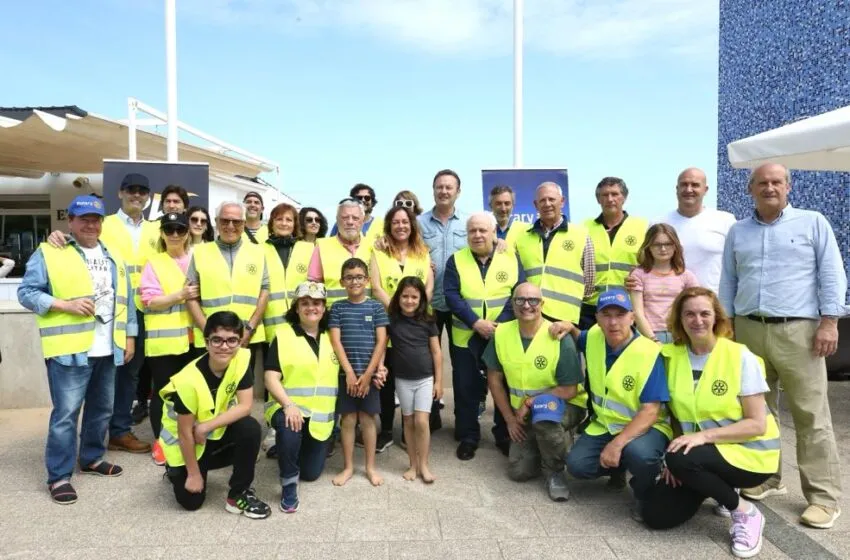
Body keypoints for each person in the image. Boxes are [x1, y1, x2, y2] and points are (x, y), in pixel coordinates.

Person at [719, 162, 846, 529]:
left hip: (800, 332)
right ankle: (767, 477)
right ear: (750, 189)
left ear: (788, 187)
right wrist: (726, 326)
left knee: (811, 415)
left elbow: (832, 272)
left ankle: (823, 498)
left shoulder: (812, 222)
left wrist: (830, 321)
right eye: (762, 182)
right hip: (748, 329)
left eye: (776, 182)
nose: (769, 187)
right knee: (759, 410)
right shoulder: (738, 232)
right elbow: (728, 280)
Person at [642, 288, 780, 559]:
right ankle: (715, 485)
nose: (697, 320)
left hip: (751, 455)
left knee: (680, 459)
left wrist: (696, 444)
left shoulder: (741, 356)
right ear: (679, 320)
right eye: (689, 314)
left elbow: (756, 425)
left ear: (716, 317)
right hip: (701, 456)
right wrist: (674, 460)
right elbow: (677, 415)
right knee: (655, 515)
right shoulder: (670, 357)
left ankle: (744, 512)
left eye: (705, 313)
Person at [18, 195, 137, 504]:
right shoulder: (51, 251)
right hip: (70, 350)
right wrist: (64, 305)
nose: (90, 224)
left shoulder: (114, 257)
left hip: (108, 349)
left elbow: (127, 301)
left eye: (95, 219)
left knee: (102, 411)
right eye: (83, 218)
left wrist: (130, 338)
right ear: (70, 221)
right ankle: (58, 476)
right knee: (66, 415)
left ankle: (93, 458)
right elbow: (26, 292)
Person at [47, 174, 157, 454]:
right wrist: (57, 236)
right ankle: (95, 437)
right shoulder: (102, 223)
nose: (137, 195)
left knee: (130, 375)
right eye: (131, 190)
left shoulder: (156, 230)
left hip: (145, 312)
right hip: (106, 316)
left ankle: (119, 432)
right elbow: (76, 243)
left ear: (148, 196)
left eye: (142, 191)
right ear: (120, 193)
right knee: (105, 380)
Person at [562, 289, 671, 521]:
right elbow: (578, 335)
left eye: (620, 315)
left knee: (640, 456)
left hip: (647, 428)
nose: (613, 322)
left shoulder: (649, 353)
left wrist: (617, 445)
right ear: (598, 319)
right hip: (606, 424)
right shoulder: (593, 336)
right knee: (577, 466)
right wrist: (566, 327)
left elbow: (650, 410)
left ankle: (645, 490)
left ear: (632, 317)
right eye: (606, 315)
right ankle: (618, 468)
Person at [158, 311, 271, 518]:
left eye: (232, 340)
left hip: (208, 434)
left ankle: (238, 494)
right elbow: (184, 433)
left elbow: (245, 406)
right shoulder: (187, 380)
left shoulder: (241, 360)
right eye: (217, 340)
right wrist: (193, 474)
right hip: (185, 442)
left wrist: (207, 426)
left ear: (240, 342)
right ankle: (176, 469)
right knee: (191, 502)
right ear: (206, 342)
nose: (225, 346)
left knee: (250, 428)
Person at [483, 282, 584, 501]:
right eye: (520, 300)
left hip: (565, 405)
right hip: (523, 413)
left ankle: (555, 471)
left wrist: (530, 402)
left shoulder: (558, 337)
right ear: (512, 303)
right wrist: (509, 419)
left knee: (545, 421)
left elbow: (569, 389)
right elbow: (494, 378)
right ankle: (549, 443)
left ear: (542, 304)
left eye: (533, 300)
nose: (526, 305)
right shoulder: (502, 333)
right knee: (519, 472)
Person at [444, 212, 524, 460]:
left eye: (482, 230)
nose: (477, 235)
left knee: (502, 385)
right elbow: (452, 295)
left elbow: (518, 293)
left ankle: (502, 435)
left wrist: (499, 325)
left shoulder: (510, 258)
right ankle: (468, 436)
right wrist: (476, 322)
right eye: (472, 231)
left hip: (502, 337)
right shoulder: (455, 260)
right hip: (465, 337)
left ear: (493, 233)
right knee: (466, 388)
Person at [264, 281, 338, 513]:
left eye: (316, 303)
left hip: (320, 418)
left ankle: (288, 449)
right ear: (296, 308)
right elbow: (270, 377)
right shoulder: (283, 335)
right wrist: (288, 405)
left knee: (311, 474)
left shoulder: (333, 336)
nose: (311, 308)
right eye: (304, 303)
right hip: (288, 409)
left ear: (324, 308)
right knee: (290, 428)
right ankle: (288, 485)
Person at [370, 206, 433, 448]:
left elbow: (427, 285)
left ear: (412, 224)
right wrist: (398, 311)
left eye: (405, 222)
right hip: (388, 323)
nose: (401, 226)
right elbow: (376, 286)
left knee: (413, 375)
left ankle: (411, 432)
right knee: (386, 380)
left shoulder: (422, 252)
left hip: (416, 326)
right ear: (389, 225)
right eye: (395, 222)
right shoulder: (379, 251)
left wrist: (413, 313)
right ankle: (386, 429)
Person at [139, 212, 198, 466]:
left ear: (187, 233)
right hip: (165, 344)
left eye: (180, 230)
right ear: (162, 233)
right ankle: (162, 443)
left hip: (196, 341)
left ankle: (189, 439)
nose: (175, 234)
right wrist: (180, 295)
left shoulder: (199, 258)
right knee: (163, 395)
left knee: (193, 394)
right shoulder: (155, 263)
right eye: (169, 230)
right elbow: (149, 301)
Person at [329, 257, 389, 486]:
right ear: (342, 281)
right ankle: (348, 467)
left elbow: (381, 341)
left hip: (369, 376)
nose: (354, 281)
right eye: (349, 277)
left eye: (359, 277)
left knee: (367, 420)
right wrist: (351, 374)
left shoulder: (375, 307)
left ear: (367, 280)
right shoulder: (337, 308)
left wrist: (368, 374)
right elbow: (336, 342)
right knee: (348, 419)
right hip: (346, 376)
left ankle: (371, 467)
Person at [418, 169, 469, 431]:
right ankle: (431, 415)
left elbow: (484, 246)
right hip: (429, 305)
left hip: (461, 305)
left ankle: (463, 422)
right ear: (433, 189)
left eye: (449, 187)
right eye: (439, 187)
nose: (444, 191)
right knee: (428, 364)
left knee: (462, 368)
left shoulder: (467, 223)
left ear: (458, 191)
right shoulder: (420, 223)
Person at [185, 202, 269, 352]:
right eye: (225, 220)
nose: (230, 226)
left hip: (247, 337)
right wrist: (209, 332)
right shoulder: (200, 253)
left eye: (236, 221)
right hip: (210, 340)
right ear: (216, 222)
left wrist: (249, 329)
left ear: (243, 224)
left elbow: (264, 291)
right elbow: (190, 297)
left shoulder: (258, 252)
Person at [514, 182, 596, 328]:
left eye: (552, 199)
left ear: (562, 201)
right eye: (542, 200)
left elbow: (589, 283)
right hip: (529, 314)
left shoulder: (581, 234)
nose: (547, 204)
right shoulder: (522, 237)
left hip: (565, 319)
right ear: (535, 205)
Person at [387, 277, 443, 483]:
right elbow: (381, 344)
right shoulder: (391, 320)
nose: (409, 301)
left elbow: (437, 352)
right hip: (402, 380)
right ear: (398, 297)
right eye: (405, 296)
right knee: (408, 421)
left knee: (421, 421)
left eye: (414, 297)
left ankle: (424, 464)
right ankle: (412, 464)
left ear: (421, 299)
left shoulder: (428, 321)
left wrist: (439, 381)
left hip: (425, 379)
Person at [656, 168, 737, 293]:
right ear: (676, 189)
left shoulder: (725, 221)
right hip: (668, 304)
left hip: (713, 303)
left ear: (705, 190)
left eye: (695, 185)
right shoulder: (659, 223)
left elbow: (737, 264)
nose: (689, 189)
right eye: (684, 184)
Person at [581, 177, 647, 330]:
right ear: (598, 199)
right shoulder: (584, 228)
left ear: (624, 197)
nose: (610, 199)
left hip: (626, 304)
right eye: (604, 195)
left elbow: (650, 265)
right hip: (592, 306)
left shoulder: (642, 227)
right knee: (592, 351)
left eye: (615, 194)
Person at [628, 223, 698, 344]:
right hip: (648, 335)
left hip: (679, 335)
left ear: (675, 246)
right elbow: (637, 312)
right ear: (648, 246)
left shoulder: (686, 276)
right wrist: (653, 339)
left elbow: (695, 307)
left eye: (668, 244)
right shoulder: (638, 275)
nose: (663, 249)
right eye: (657, 244)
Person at [308, 198, 374, 306]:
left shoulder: (373, 246)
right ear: (337, 220)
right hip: (333, 318)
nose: (350, 222)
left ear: (362, 221)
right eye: (345, 218)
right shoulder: (322, 246)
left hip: (367, 317)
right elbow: (313, 287)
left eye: (355, 218)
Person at [262, 203, 313, 341]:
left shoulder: (309, 249)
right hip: (270, 327)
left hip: (302, 324)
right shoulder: (259, 250)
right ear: (271, 223)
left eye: (289, 220)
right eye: (279, 219)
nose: (284, 223)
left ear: (295, 224)